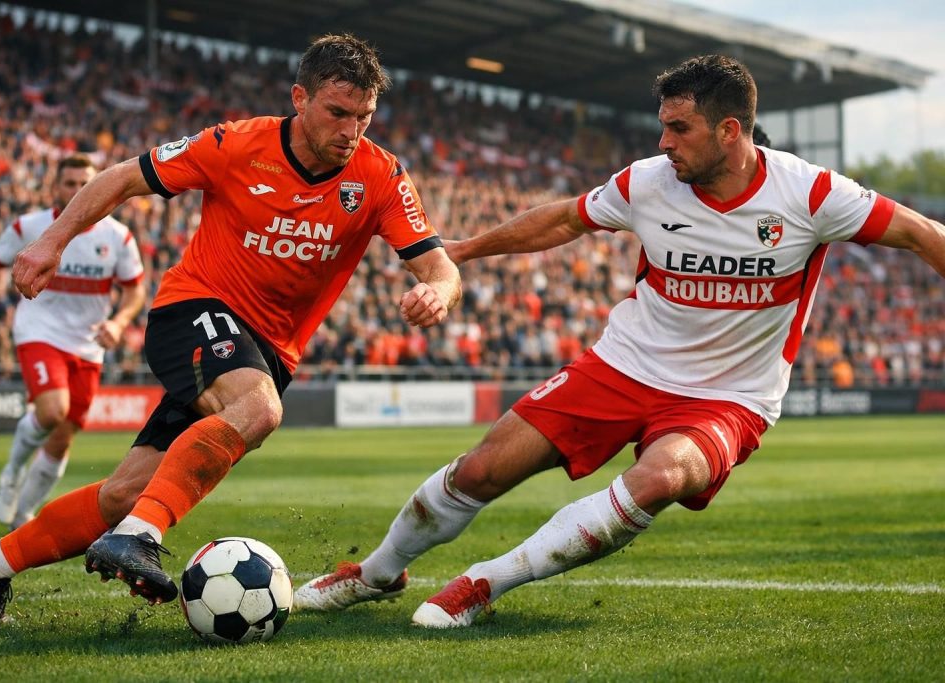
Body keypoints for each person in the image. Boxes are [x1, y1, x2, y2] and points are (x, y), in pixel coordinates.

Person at [294, 54, 945, 628]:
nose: (664, 142)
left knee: (659, 477)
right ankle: (377, 571)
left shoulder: (811, 192)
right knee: (482, 468)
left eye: (678, 128)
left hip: (729, 397)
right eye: (662, 126)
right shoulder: (649, 182)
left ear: (729, 130)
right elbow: (562, 220)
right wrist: (465, 248)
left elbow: (923, 233)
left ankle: (487, 580)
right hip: (624, 366)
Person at [0, 33, 461, 623]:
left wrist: (437, 291)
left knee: (122, 494)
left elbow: (438, 262)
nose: (351, 131)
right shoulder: (236, 143)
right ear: (300, 98)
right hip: (193, 309)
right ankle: (139, 536)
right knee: (259, 410)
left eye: (364, 117)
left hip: (267, 349)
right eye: (338, 113)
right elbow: (121, 177)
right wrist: (51, 241)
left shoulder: (379, 175)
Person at [0, 155, 147, 530]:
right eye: (69, 183)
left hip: (89, 343)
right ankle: (12, 474)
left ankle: (25, 514)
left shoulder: (118, 237)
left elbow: (135, 291)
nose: (77, 190)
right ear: (56, 188)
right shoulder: (30, 226)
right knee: (52, 411)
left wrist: (118, 322)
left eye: (84, 182)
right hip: (40, 330)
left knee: (65, 433)